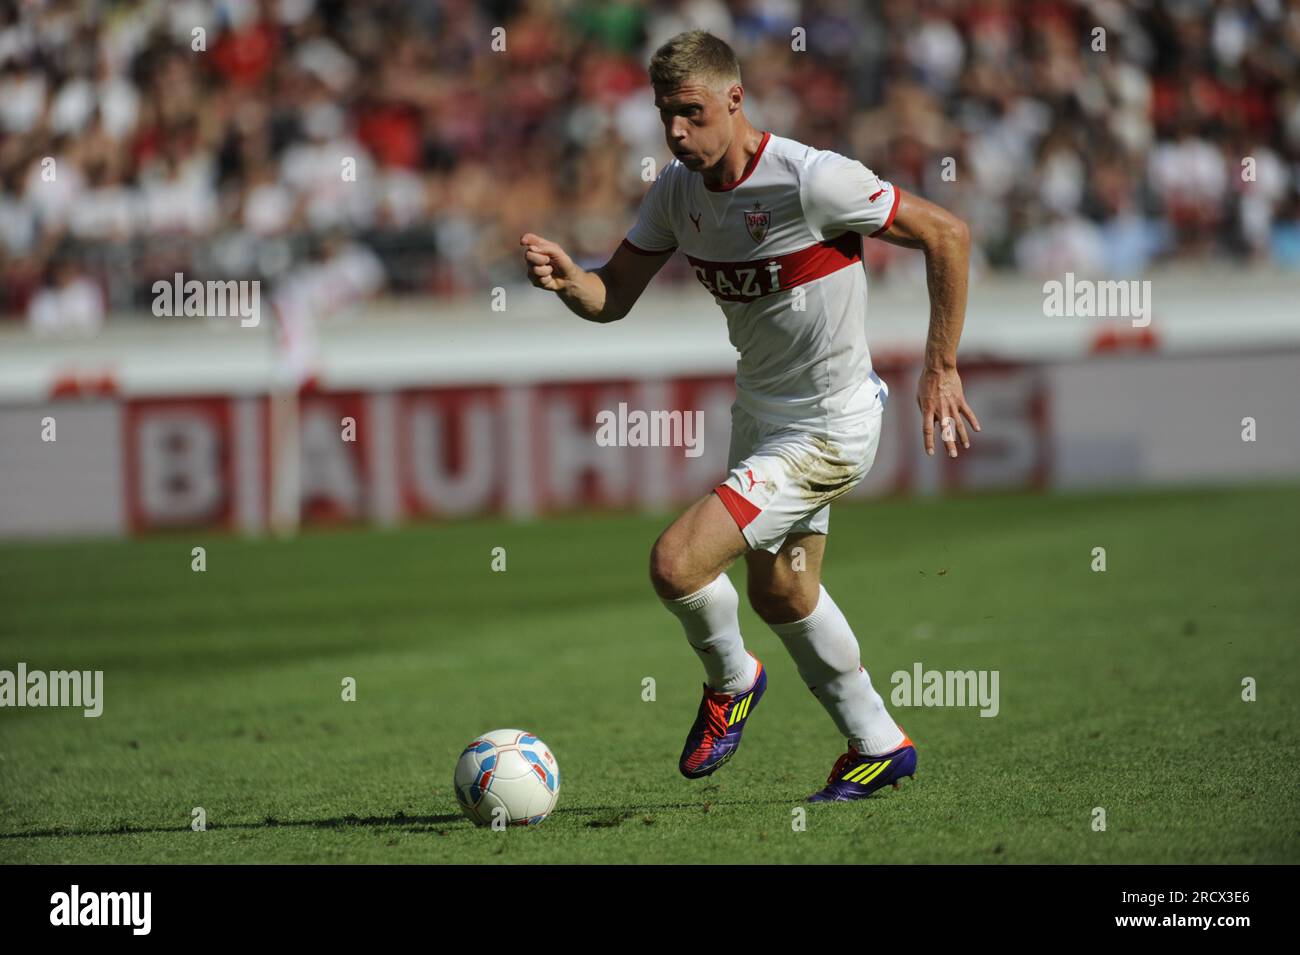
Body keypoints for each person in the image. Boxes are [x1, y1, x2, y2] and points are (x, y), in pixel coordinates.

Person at [520, 30, 979, 802]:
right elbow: (613, 297)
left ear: (735, 100)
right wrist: (573, 283)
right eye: (665, 114)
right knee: (782, 592)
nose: (675, 131)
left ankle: (733, 681)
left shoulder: (813, 179)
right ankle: (879, 742)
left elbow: (947, 233)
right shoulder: (676, 191)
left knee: (677, 563)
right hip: (763, 417)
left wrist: (941, 364)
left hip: (830, 425)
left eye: (691, 113)